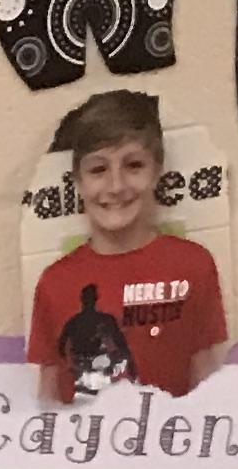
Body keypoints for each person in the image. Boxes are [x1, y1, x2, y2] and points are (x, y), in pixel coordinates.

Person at [29, 88, 227, 401]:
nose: (116, 186)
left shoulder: (194, 265)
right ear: (78, 181)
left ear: (157, 171)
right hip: (85, 424)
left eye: (133, 165)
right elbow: (48, 395)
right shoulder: (54, 283)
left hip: (167, 429)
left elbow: (206, 380)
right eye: (98, 170)